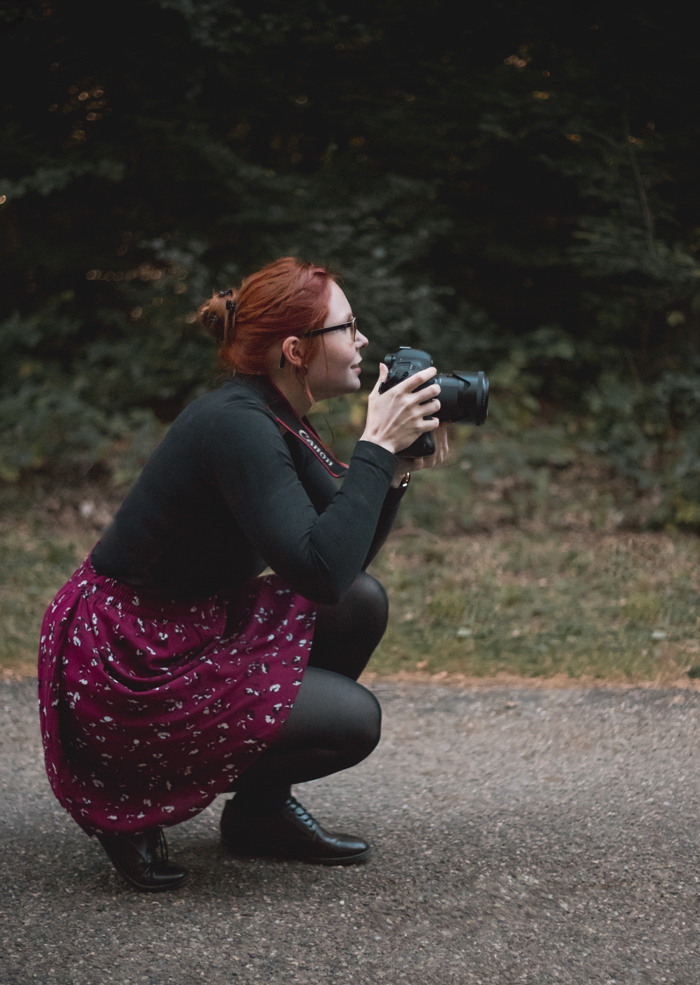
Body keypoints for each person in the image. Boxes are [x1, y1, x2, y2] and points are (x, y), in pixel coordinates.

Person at [38, 257, 448, 892]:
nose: (363, 340)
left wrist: (389, 472)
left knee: (359, 602)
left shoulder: (277, 415)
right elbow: (317, 569)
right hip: (129, 655)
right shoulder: (236, 425)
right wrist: (373, 448)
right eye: (348, 326)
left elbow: (338, 569)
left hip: (193, 621)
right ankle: (129, 798)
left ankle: (259, 813)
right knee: (352, 720)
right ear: (295, 350)